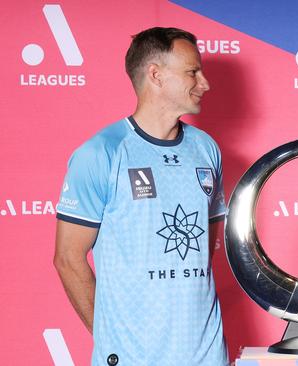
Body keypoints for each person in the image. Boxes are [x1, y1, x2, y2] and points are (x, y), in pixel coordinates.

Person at [54, 27, 228, 366]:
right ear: (156, 76)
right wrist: (111, 336)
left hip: (208, 354)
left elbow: (204, 249)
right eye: (193, 72)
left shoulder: (207, 150)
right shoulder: (102, 152)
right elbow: (68, 259)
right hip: (134, 357)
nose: (205, 82)